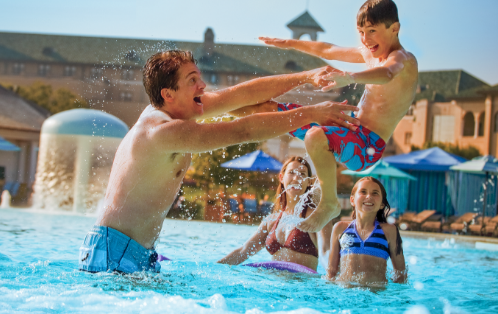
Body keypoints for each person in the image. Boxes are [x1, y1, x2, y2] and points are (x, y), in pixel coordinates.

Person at [78, 50, 360, 274]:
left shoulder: (177, 109)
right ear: (168, 94)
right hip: (114, 251)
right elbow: (243, 131)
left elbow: (240, 95)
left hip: (134, 250)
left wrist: (308, 76)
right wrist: (313, 114)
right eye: (192, 80)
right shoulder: (164, 131)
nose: (202, 85)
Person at [248, 0, 419, 233]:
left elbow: (387, 74)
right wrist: (289, 43)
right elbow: (326, 49)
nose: (365, 39)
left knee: (315, 136)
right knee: (273, 110)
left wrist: (349, 77)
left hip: (367, 146)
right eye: (361, 31)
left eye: (371, 31)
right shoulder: (369, 54)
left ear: (394, 29)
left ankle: (328, 203)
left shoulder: (404, 60)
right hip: (346, 129)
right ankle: (221, 117)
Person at [218, 156, 331, 272]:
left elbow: (327, 252)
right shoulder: (271, 221)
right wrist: (217, 267)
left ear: (309, 182)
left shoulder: (316, 217)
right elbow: (243, 251)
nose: (296, 178)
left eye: (302, 174)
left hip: (302, 284)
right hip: (273, 283)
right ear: (281, 177)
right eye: (291, 172)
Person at [327, 177, 406, 285]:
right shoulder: (340, 228)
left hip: (375, 297)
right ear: (352, 200)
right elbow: (331, 272)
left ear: (382, 204)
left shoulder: (390, 231)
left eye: (375, 193)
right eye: (363, 192)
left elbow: (401, 274)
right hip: (345, 295)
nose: (369, 196)